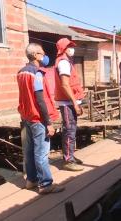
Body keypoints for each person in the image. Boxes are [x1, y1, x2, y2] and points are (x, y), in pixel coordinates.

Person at [17, 43, 64, 194]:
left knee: (30, 151)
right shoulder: (36, 73)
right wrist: (48, 122)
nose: (44, 56)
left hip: (26, 117)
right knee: (41, 153)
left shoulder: (21, 72)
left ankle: (31, 180)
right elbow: (40, 99)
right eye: (42, 54)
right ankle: (45, 184)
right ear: (36, 55)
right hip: (37, 118)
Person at [54, 38, 85, 171]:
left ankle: (69, 155)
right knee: (69, 130)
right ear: (63, 49)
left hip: (70, 101)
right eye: (69, 47)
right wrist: (75, 104)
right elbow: (65, 85)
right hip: (67, 103)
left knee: (70, 130)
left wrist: (77, 102)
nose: (72, 49)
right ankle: (68, 160)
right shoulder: (64, 63)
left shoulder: (67, 62)